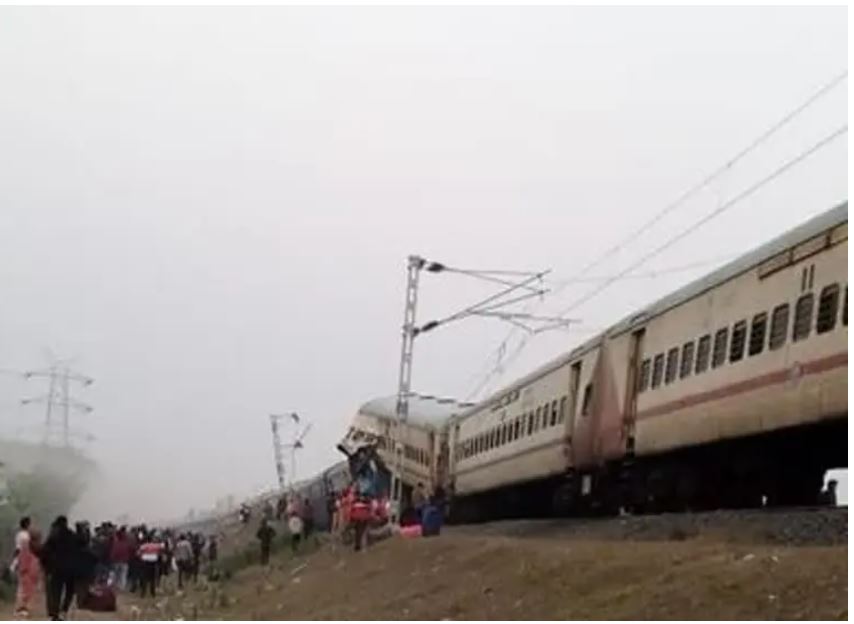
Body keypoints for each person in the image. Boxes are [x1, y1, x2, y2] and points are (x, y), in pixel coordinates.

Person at [39, 516, 78, 621]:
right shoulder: (72, 535)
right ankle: (64, 609)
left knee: (56, 591)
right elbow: (80, 548)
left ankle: (55, 614)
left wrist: (45, 565)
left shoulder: (53, 536)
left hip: (56, 568)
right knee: (70, 590)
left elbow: (44, 551)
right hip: (70, 568)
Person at [13, 517, 40, 617]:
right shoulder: (26, 536)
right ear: (27, 524)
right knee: (26, 586)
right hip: (26, 561)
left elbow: (17, 549)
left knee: (22, 585)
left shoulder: (19, 534)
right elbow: (24, 549)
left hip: (21, 560)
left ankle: (20, 607)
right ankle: (23, 608)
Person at [137, 532, 162, 598]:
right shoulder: (156, 546)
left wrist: (142, 557)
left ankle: (143, 593)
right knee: (152, 578)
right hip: (153, 563)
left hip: (145, 563)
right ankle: (152, 593)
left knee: (144, 578)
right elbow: (160, 551)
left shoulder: (143, 546)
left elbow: (138, 553)